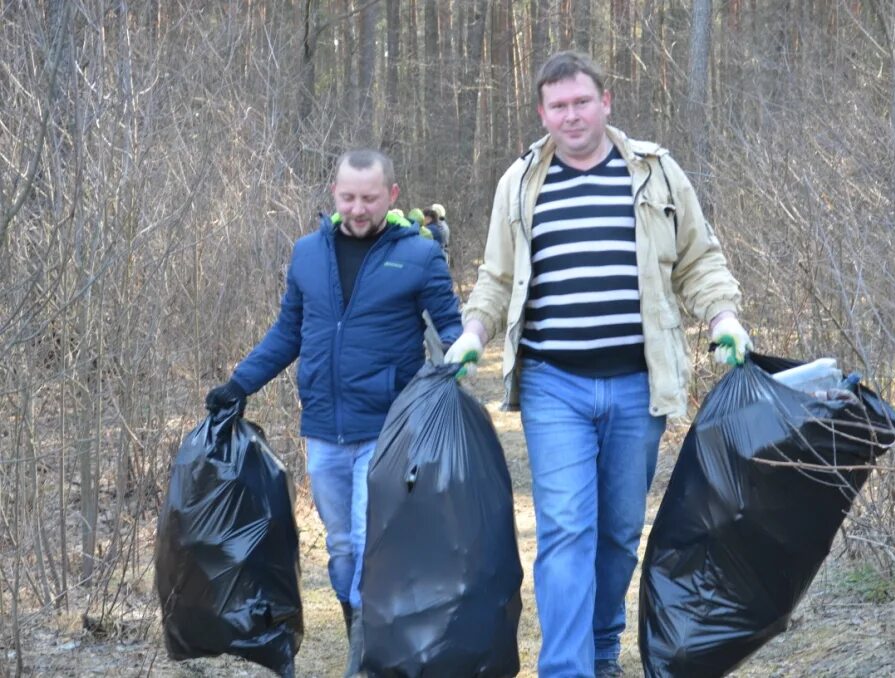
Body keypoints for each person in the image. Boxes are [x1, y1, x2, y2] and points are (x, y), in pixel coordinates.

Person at [444, 51, 752, 678]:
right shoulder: (520, 181)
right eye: (557, 105)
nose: (571, 114)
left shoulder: (657, 173)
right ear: (542, 113)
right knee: (564, 531)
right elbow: (497, 276)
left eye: (582, 101)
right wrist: (473, 331)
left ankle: (602, 645)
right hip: (554, 384)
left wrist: (724, 318)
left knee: (616, 536)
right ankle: (566, 669)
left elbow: (699, 259)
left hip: (640, 385)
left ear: (606, 102)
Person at [205, 149, 463, 676]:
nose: (358, 208)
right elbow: (287, 334)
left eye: (369, 197)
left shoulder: (418, 255)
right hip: (323, 427)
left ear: (391, 196)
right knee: (343, 549)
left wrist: (458, 369)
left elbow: (451, 329)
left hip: (389, 429)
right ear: (334, 194)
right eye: (348, 197)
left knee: (373, 545)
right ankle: (359, 634)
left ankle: (365, 662)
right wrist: (238, 384)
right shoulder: (306, 254)